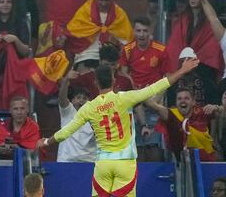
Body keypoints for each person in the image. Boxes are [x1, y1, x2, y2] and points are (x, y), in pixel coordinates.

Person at [36, 57, 199, 197]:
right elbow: (155, 87)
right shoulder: (124, 99)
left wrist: (45, 142)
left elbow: (67, 132)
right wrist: (182, 71)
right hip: (125, 163)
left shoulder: (89, 107)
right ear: (114, 80)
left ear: (96, 82)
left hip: (103, 164)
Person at [120, 16, 169, 161]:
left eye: (145, 31)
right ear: (134, 31)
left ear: (150, 32)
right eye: (138, 30)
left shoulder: (161, 50)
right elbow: (123, 74)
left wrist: (155, 102)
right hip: (134, 104)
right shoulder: (127, 50)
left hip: (155, 102)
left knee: (154, 146)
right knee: (136, 147)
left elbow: (167, 78)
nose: (141, 34)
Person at [146, 88, 217, 161]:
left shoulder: (202, 112)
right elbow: (151, 104)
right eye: (179, 99)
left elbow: (222, 112)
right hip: (180, 162)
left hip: (206, 162)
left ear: (193, 102)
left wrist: (217, 107)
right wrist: (164, 85)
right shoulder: (172, 114)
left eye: (186, 98)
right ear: (176, 102)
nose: (183, 101)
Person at [66, 0, 133, 56]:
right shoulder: (86, 9)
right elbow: (73, 31)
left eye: (107, 0)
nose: (103, 3)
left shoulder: (119, 14)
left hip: (110, 54)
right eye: (101, 0)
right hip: (86, 52)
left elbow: (127, 39)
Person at [57, 69, 96, 162]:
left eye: (84, 98)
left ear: (89, 102)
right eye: (78, 97)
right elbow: (62, 98)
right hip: (66, 161)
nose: (81, 100)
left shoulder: (95, 116)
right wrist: (66, 80)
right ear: (72, 100)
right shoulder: (68, 112)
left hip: (89, 162)